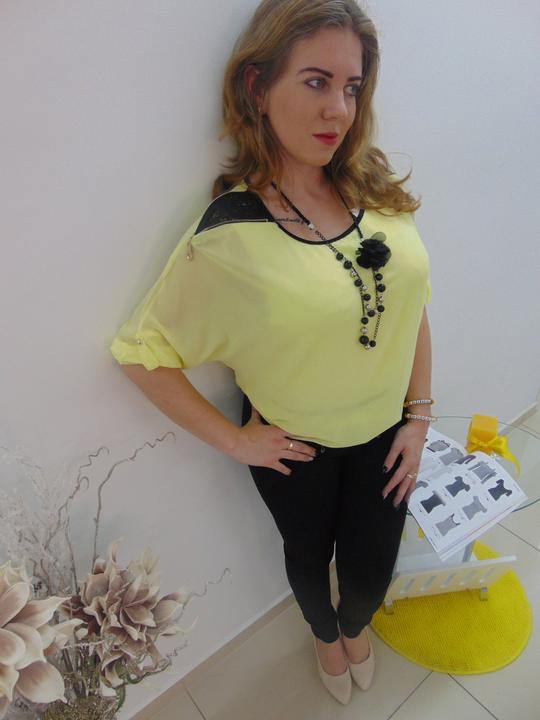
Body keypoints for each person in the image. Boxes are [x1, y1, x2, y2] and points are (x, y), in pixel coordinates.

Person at [109, 0, 434, 706]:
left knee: (369, 575)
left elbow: (410, 307)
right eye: (316, 82)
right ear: (257, 87)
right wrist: (235, 441)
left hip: (386, 434)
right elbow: (140, 352)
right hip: (296, 450)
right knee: (309, 562)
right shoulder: (230, 232)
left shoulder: (374, 185)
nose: (338, 109)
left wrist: (419, 415)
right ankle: (325, 635)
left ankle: (355, 625)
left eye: (351, 87)